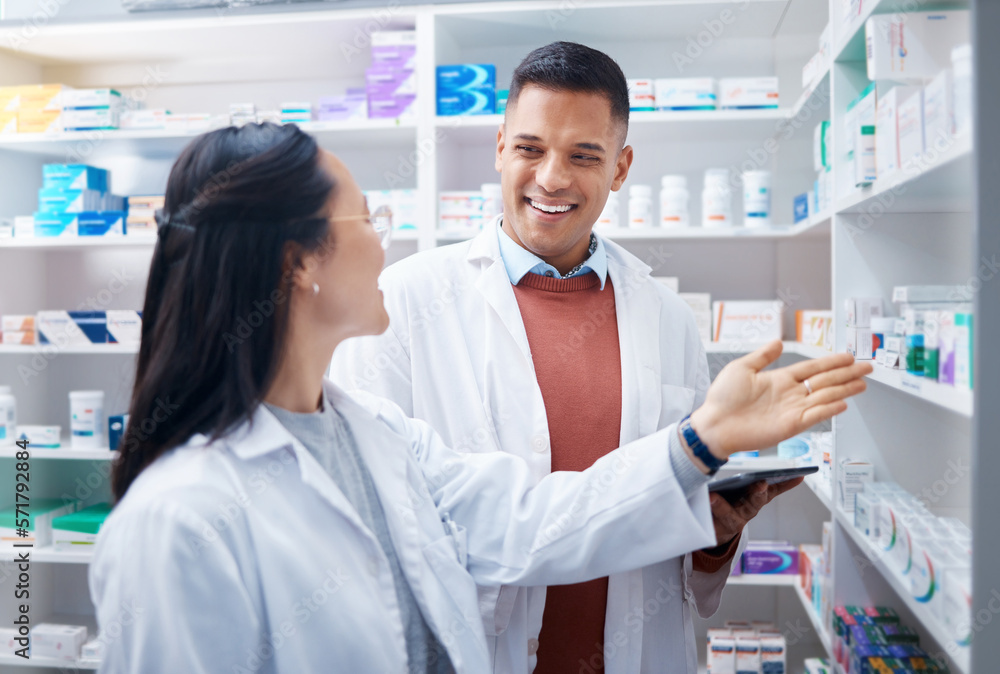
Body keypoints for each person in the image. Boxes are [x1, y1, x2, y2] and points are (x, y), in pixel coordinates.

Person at [90, 122, 869, 674]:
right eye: (367, 216)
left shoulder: (378, 436)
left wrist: (704, 440)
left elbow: (533, 521)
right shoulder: (179, 522)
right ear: (300, 264)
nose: (385, 237)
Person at [330, 42, 843, 674]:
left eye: (583, 156)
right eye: (530, 148)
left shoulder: (668, 319)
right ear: (499, 146)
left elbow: (676, 539)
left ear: (621, 168)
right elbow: (380, 532)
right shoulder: (404, 303)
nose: (551, 177)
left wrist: (716, 531)